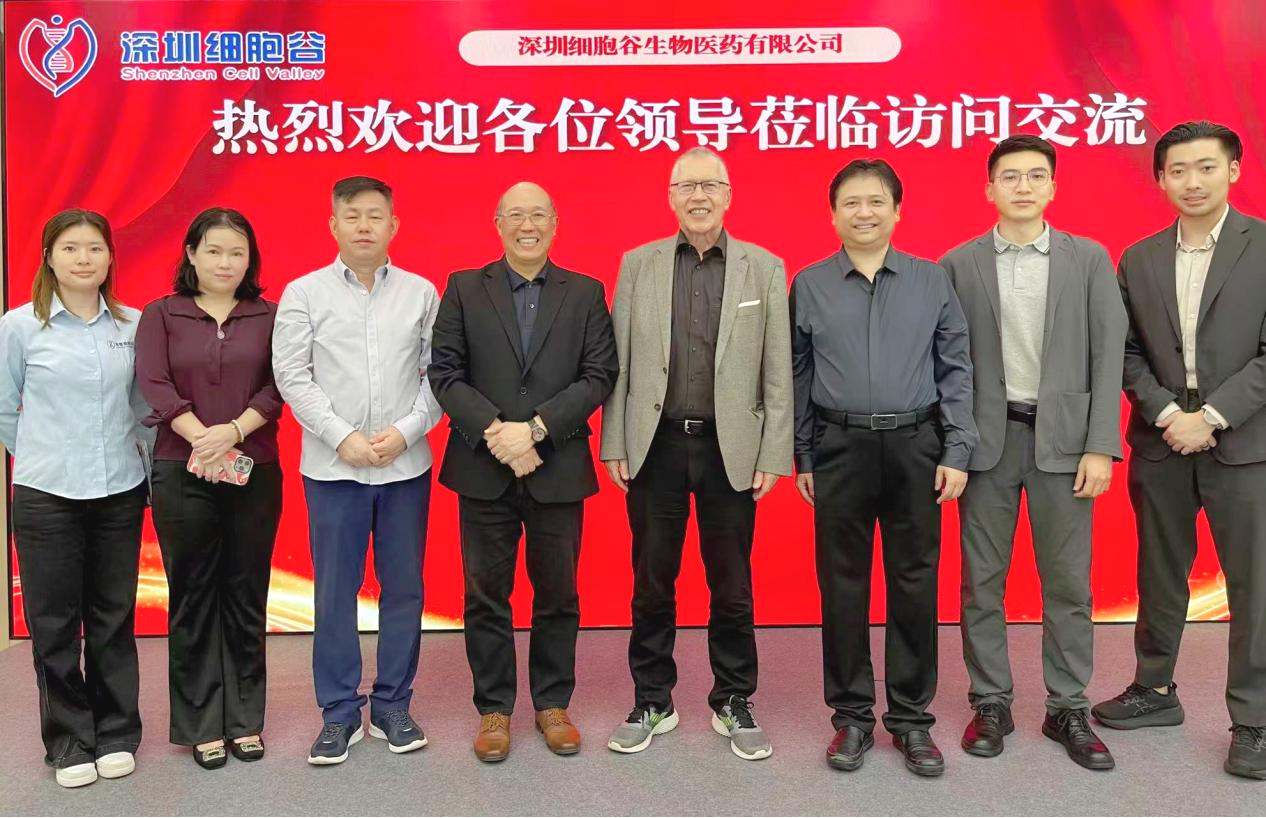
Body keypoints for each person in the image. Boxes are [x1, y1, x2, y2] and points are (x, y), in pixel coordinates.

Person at [601, 147, 793, 761]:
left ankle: (733, 699)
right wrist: (615, 440)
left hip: (729, 448)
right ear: (670, 196)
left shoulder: (763, 267)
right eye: (686, 186)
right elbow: (619, 362)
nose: (699, 196)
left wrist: (774, 450)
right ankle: (652, 699)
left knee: (731, 585)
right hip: (655, 444)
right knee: (652, 581)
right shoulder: (639, 264)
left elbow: (777, 368)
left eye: (710, 185)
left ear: (729, 194)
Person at [941, 136, 1126, 769]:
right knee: (981, 585)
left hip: (1065, 445)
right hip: (986, 445)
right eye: (1010, 176)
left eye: (1036, 175)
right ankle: (990, 702)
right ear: (989, 188)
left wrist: (1100, 445)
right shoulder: (957, 264)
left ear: (1053, 187)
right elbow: (946, 364)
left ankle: (1067, 706)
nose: (1023, 186)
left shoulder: (1088, 259)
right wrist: (953, 445)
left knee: (1068, 584)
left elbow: (1108, 354)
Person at [791, 160, 977, 776]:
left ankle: (911, 719)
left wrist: (956, 449)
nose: (864, 213)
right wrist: (803, 453)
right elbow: (797, 374)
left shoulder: (931, 280)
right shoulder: (810, 284)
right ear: (833, 214)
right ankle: (850, 718)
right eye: (851, 202)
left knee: (914, 582)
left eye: (876, 201)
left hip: (915, 445)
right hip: (838, 446)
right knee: (842, 583)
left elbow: (955, 367)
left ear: (898, 210)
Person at [1094, 121, 1266, 781]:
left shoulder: (1262, 245)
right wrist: (1168, 412)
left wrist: (1212, 417)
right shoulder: (1138, 258)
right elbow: (1125, 351)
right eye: (1178, 170)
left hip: (1244, 442)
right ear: (1161, 178)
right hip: (1163, 438)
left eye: (1206, 167)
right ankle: (1154, 688)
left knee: (1253, 585)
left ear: (1234, 170)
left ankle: (1254, 721)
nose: (1192, 182)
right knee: (1160, 572)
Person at [430, 181, 617, 761]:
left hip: (556, 465)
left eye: (538, 215)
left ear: (555, 223)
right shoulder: (464, 287)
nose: (527, 225)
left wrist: (534, 430)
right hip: (482, 466)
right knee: (485, 593)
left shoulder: (585, 292)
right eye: (515, 215)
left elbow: (599, 375)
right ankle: (493, 708)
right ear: (498, 223)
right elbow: (445, 373)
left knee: (558, 592)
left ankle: (552, 704)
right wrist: (498, 433)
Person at [273, 177, 444, 765]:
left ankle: (393, 704)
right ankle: (339, 713)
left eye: (375, 216)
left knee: (404, 590)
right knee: (334, 592)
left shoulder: (421, 293)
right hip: (332, 469)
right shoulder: (304, 293)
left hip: (405, 466)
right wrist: (340, 436)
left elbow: (440, 374)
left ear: (394, 225)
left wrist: (408, 430)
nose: (364, 226)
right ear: (333, 225)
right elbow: (292, 374)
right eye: (352, 216)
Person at [0, 209, 150, 788]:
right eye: (70, 248)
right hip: (47, 494)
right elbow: (4, 407)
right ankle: (68, 740)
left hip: (118, 491)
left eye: (94, 248)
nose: (83, 258)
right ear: (49, 257)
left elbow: (144, 411)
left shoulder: (133, 325)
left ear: (110, 256)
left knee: (113, 617)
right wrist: (43, 453)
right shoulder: (19, 327)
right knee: (54, 623)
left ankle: (116, 732)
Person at [136, 208, 284, 769]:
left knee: (246, 594)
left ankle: (245, 720)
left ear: (250, 260)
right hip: (182, 469)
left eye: (237, 252)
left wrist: (233, 432)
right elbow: (153, 382)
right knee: (193, 595)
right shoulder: (161, 314)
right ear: (192, 254)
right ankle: (201, 724)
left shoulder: (270, 315)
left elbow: (279, 385)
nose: (226, 262)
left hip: (253, 466)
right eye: (214, 250)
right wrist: (202, 438)